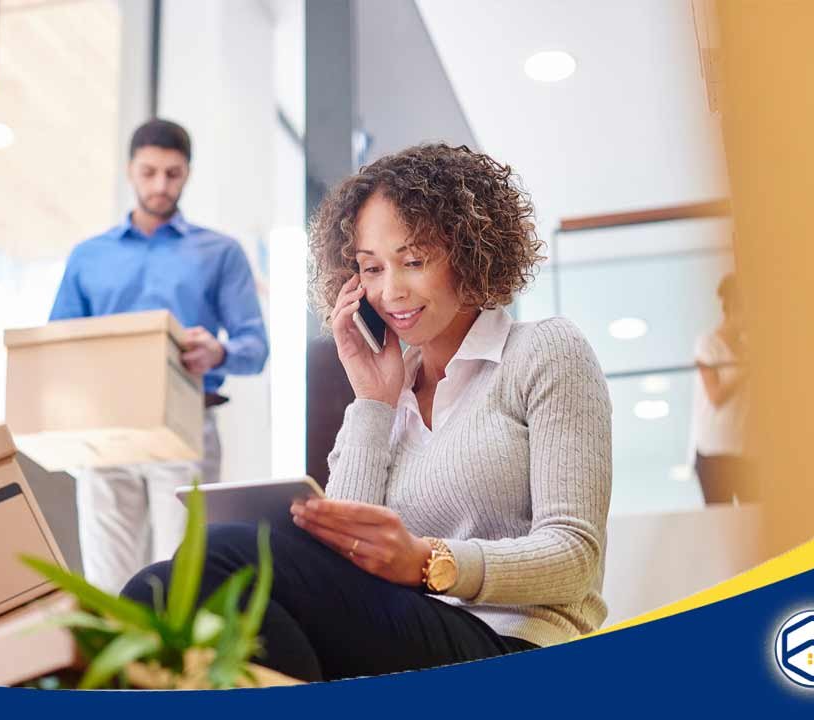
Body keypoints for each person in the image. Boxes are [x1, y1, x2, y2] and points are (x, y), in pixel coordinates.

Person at [121, 143, 613, 682]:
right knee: (154, 587)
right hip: (403, 638)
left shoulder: (544, 351)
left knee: (225, 552)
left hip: (515, 643)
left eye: (414, 261)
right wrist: (373, 401)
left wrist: (430, 562)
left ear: (471, 250)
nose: (391, 292)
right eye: (371, 269)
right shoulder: (387, 395)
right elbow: (341, 559)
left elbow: (575, 556)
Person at [50, 119, 268, 592]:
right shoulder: (88, 257)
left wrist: (218, 351)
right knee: (110, 585)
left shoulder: (221, 252)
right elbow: (58, 347)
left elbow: (255, 349)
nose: (160, 185)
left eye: (172, 173)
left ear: (187, 173)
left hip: (186, 427)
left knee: (182, 579)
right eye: (148, 172)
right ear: (130, 171)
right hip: (106, 433)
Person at [691, 272, 753, 504]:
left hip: (746, 450)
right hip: (714, 452)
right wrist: (747, 369)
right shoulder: (707, 344)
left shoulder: (748, 348)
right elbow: (715, 395)